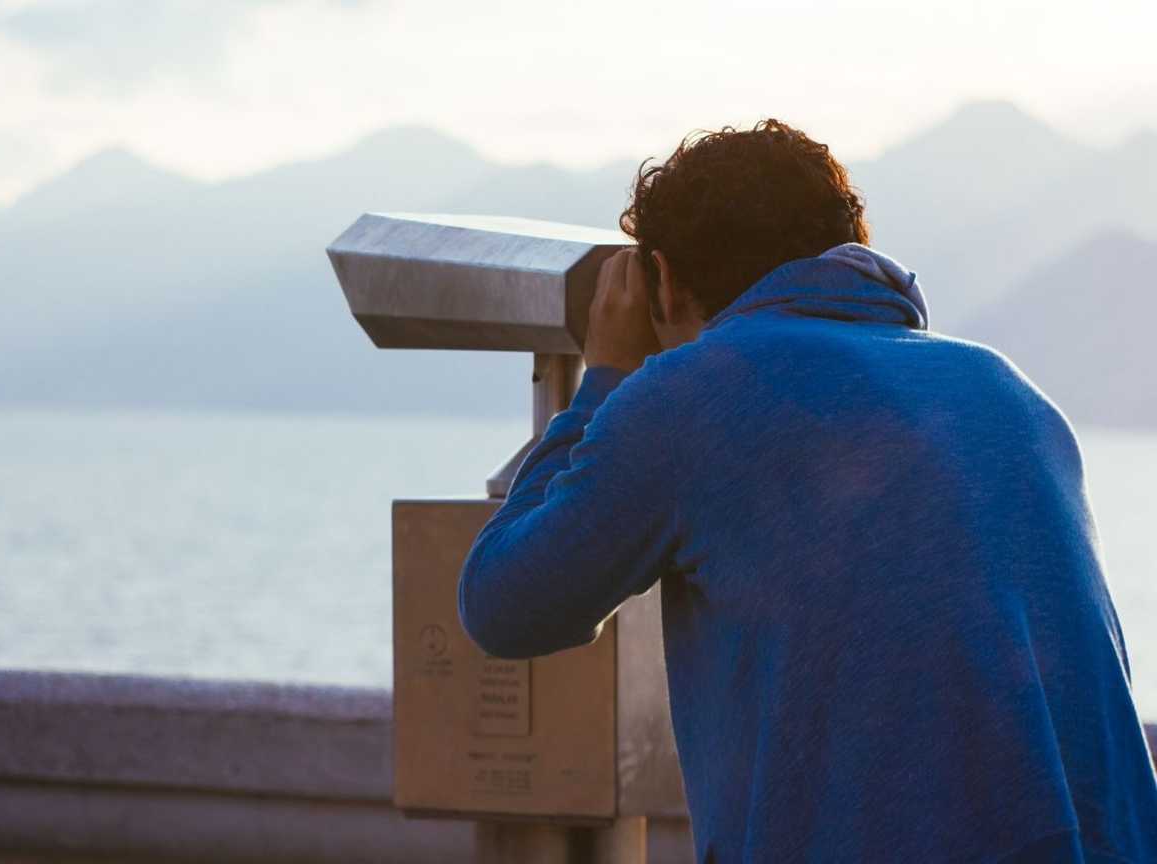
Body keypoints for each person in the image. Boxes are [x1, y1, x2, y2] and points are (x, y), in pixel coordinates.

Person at [456, 119, 1157, 863]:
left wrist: (604, 381)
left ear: (661, 280)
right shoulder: (1009, 392)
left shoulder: (691, 394)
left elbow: (505, 605)